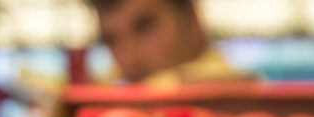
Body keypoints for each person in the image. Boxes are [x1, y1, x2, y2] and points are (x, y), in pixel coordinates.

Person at [91, 0, 251, 86]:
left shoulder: (238, 95)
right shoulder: (107, 81)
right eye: (111, 40)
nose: (129, 58)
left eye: (145, 27)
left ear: (191, 18)